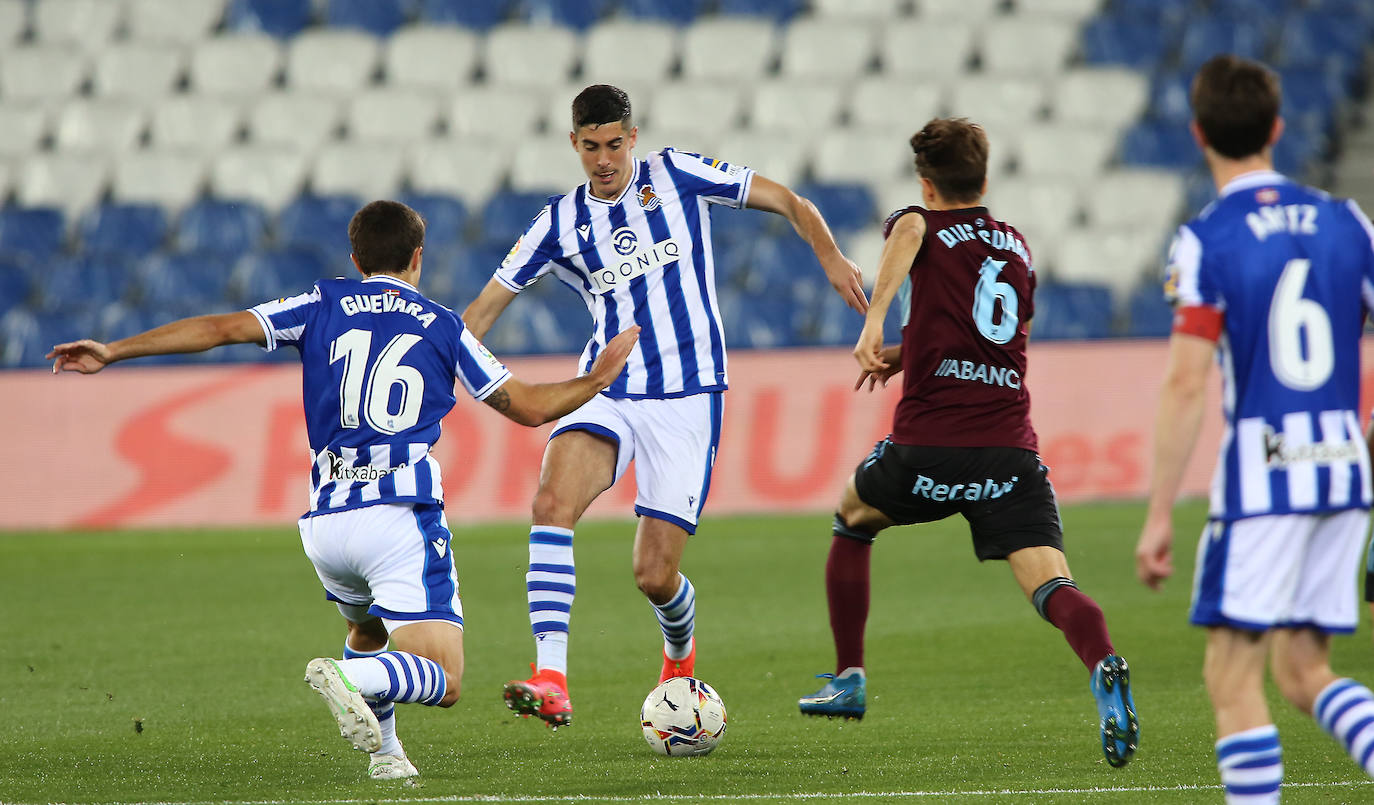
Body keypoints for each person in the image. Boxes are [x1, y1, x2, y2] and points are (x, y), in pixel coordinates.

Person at [47, 200, 639, 780]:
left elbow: (219, 328)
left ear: (355, 257)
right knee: (447, 679)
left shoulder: (320, 301)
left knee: (367, 630)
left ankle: (386, 753)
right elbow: (531, 409)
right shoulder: (442, 325)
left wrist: (116, 350)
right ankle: (352, 679)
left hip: (327, 526)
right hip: (398, 519)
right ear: (418, 256)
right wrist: (596, 379)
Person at [460, 84, 868, 728]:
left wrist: (830, 256)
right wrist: (439, 370)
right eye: (590, 146)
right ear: (573, 143)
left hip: (687, 395)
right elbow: (476, 317)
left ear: (633, 138)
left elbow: (787, 199)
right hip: (608, 388)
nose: (603, 158)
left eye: (614, 144)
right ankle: (552, 676)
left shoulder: (676, 174)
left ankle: (679, 656)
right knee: (550, 502)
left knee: (654, 576)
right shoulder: (558, 222)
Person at [796, 117, 1139, 770]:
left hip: (928, 446)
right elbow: (1003, 339)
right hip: (1009, 453)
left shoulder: (921, 223)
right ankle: (1104, 660)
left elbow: (910, 234)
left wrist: (874, 324)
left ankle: (848, 677)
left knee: (852, 517)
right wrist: (907, 354)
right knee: (1051, 582)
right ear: (984, 177)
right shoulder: (1017, 247)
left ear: (927, 184)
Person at [1136, 55, 1374, 803]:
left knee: (1231, 677)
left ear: (1198, 134)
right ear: (1277, 127)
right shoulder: (1349, 223)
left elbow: (1185, 380)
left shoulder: (1208, 239)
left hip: (1264, 476)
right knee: (1303, 672)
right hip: (1343, 467)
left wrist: (1157, 515)